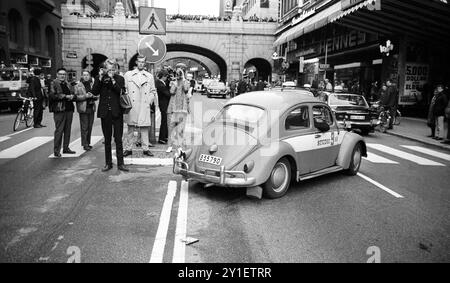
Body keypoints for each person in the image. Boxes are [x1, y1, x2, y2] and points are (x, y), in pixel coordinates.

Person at [91, 59, 128, 172]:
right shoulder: (100, 78)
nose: (110, 71)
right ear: (105, 69)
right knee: (107, 140)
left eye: (113, 69)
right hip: (105, 112)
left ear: (116, 69)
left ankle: (121, 163)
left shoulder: (120, 79)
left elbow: (120, 91)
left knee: (118, 139)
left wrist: (112, 79)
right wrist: (100, 78)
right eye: (108, 69)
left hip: (117, 112)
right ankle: (108, 163)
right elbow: (95, 92)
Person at [123, 55, 157, 157]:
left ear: (145, 63)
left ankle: (145, 149)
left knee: (144, 128)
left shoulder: (149, 76)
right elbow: (124, 89)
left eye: (143, 62)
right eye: (139, 62)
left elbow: (153, 91)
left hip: (143, 104)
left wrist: (149, 101)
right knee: (130, 128)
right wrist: (127, 102)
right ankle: (129, 148)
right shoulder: (128, 75)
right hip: (132, 105)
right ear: (136, 62)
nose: (141, 63)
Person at [49, 68, 76, 157]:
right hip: (59, 109)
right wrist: (66, 96)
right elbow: (53, 95)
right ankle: (56, 150)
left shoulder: (68, 84)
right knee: (59, 130)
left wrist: (73, 96)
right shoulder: (53, 83)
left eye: (64, 74)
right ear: (57, 74)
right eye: (60, 74)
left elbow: (73, 93)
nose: (62, 76)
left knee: (67, 130)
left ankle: (66, 148)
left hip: (69, 109)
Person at [166, 68, 190, 153]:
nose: (178, 75)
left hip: (182, 110)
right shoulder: (173, 82)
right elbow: (171, 92)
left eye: (180, 74)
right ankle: (169, 146)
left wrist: (183, 80)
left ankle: (179, 146)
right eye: (177, 74)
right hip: (173, 109)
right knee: (171, 129)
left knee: (180, 130)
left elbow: (186, 89)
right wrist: (176, 83)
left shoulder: (186, 82)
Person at [75, 70, 97, 151]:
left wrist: (93, 96)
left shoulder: (92, 84)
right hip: (83, 108)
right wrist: (85, 96)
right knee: (84, 127)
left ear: (90, 76)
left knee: (90, 126)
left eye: (87, 75)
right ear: (82, 76)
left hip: (91, 108)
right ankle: (85, 144)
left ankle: (88, 142)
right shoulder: (78, 85)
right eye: (84, 75)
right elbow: (76, 97)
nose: (86, 76)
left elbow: (97, 95)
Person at [156, 69, 171, 145]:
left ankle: (164, 136)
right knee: (164, 121)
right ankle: (161, 138)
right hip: (163, 104)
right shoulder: (160, 84)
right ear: (163, 76)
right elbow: (168, 94)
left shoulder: (162, 83)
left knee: (165, 121)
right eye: (166, 76)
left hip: (164, 104)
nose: (167, 78)